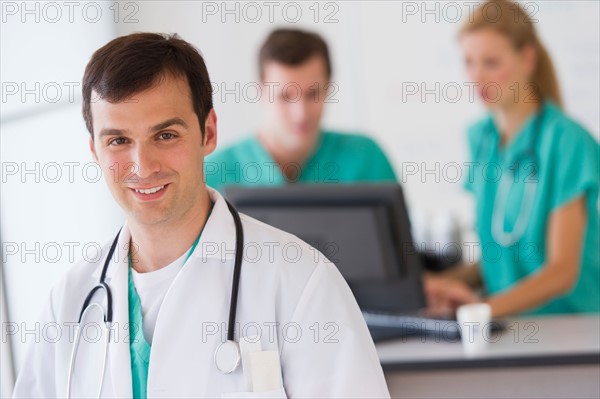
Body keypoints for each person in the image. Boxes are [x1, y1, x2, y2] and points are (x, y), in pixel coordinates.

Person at [12, 33, 390, 399]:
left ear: (208, 132)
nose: (143, 166)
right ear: (95, 151)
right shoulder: (69, 304)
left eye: (165, 135)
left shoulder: (302, 284)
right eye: (119, 140)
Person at [426, 0, 599, 318]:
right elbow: (499, 255)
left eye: (491, 62)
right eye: (468, 62)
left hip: (574, 329)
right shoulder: (481, 139)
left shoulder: (567, 141)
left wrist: (483, 309)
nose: (476, 77)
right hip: (507, 326)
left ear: (527, 58)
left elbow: (562, 272)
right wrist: (440, 284)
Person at [205, 28, 396, 192]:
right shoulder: (214, 174)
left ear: (328, 89)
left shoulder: (367, 158)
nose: (301, 114)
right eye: (285, 96)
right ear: (261, 92)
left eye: (312, 94)